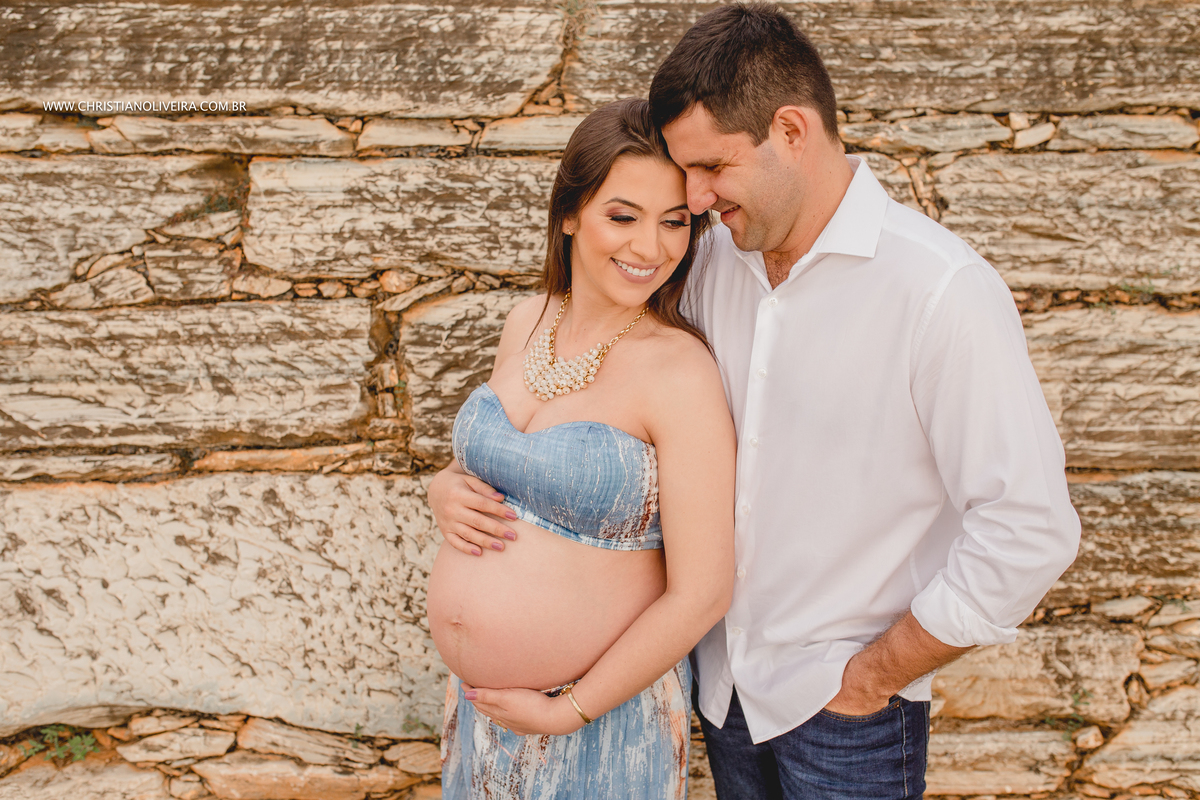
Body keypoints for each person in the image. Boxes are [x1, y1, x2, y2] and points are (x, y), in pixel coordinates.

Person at [431, 4, 1083, 799]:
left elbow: (1029, 526)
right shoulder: (709, 269)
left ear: (792, 131)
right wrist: (456, 485)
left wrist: (874, 675)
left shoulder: (940, 293)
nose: (694, 202)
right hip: (725, 694)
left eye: (710, 169)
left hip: (848, 711)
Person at [425, 97, 737, 800]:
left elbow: (704, 590)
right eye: (623, 216)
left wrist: (568, 710)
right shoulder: (526, 319)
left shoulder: (679, 370)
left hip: (602, 724)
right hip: (480, 716)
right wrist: (441, 488)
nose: (650, 247)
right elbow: (491, 464)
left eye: (674, 222)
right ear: (570, 213)